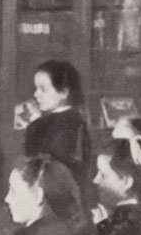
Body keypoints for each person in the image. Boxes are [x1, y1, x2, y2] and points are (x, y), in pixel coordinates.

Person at [21, 60, 93, 203]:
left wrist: (35, 123)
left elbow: (35, 167)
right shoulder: (78, 119)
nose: (36, 94)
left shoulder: (42, 125)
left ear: (64, 93)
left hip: (49, 197)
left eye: (43, 89)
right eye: (36, 88)